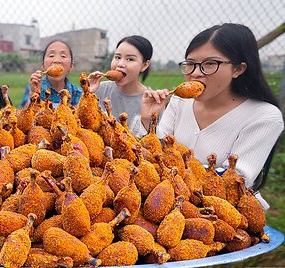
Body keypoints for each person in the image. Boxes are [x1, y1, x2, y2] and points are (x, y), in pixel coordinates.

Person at [140, 23, 283, 205]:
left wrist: (172, 170)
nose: (196, 74)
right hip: (169, 200)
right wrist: (149, 122)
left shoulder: (264, 116)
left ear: (238, 69)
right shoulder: (179, 102)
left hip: (225, 211)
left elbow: (234, 179)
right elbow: (156, 154)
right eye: (190, 64)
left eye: (210, 64)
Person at [88, 35, 153, 135]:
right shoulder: (99, 89)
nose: (120, 64)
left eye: (130, 59)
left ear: (144, 65)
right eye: (117, 57)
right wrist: (87, 93)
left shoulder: (152, 100)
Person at [20, 40, 82, 108]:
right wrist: (33, 94)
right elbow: (22, 116)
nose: (57, 60)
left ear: (71, 67)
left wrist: (88, 93)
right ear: (43, 65)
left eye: (63, 56)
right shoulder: (34, 87)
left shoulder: (78, 93)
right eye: (51, 56)